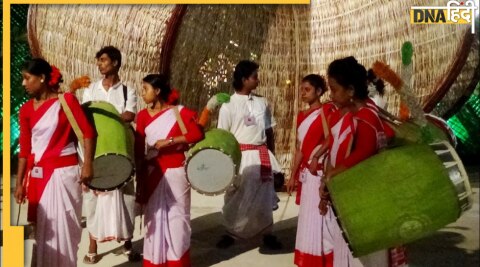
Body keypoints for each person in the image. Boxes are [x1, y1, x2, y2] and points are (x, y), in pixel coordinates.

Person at [310, 56, 407, 267]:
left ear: (351, 90)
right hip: (356, 202)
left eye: (334, 89)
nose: (331, 94)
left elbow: (364, 150)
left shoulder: (367, 116)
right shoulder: (356, 114)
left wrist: (331, 176)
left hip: (367, 205)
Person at [14, 58, 96, 267]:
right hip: (40, 177)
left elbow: (88, 133)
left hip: (64, 175)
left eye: (27, 78)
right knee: (45, 233)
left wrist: (87, 164)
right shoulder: (25, 110)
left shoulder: (66, 101)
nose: (23, 84)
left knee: (65, 230)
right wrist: (20, 183)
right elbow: (24, 150)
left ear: (42, 78)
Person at [135, 74, 204, 267]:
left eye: (146, 89)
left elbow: (197, 133)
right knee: (153, 220)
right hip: (152, 172)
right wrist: (140, 177)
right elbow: (139, 149)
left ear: (157, 91)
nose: (143, 93)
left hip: (176, 171)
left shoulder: (178, 112)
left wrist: (170, 141)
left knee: (178, 219)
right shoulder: (141, 116)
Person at [81, 46, 140, 263]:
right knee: (93, 197)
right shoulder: (91, 90)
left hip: (122, 149)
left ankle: (127, 244)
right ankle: (92, 247)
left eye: (103, 60)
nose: (99, 64)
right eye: (98, 61)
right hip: (96, 149)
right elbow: (85, 115)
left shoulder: (127, 91)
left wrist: (107, 117)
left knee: (125, 197)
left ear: (115, 63)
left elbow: (129, 115)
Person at [216, 60, 283, 250]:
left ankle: (266, 233)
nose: (258, 80)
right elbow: (224, 136)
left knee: (263, 196)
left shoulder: (262, 103)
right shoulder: (228, 105)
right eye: (255, 76)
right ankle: (231, 232)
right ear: (244, 79)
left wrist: (272, 155)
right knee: (235, 194)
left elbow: (269, 132)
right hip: (240, 156)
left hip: (261, 155)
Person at [285, 74, 336, 266]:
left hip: (319, 171)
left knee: (321, 215)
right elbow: (300, 148)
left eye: (307, 90)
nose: (303, 93)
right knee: (308, 216)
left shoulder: (327, 111)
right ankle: (309, 256)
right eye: (302, 89)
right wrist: (292, 175)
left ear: (319, 91)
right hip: (306, 173)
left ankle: (325, 256)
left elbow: (331, 138)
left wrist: (317, 156)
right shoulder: (302, 116)